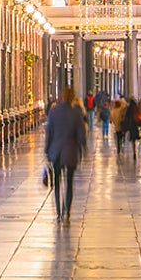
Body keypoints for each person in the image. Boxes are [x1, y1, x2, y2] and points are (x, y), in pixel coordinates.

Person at [44, 86, 87, 222]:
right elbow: (81, 134)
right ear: (72, 98)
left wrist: (47, 150)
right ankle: (66, 211)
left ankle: (58, 211)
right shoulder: (76, 113)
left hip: (56, 152)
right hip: (70, 152)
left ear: (61, 97)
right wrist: (82, 148)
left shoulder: (54, 112)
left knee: (57, 183)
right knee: (69, 183)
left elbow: (49, 132)